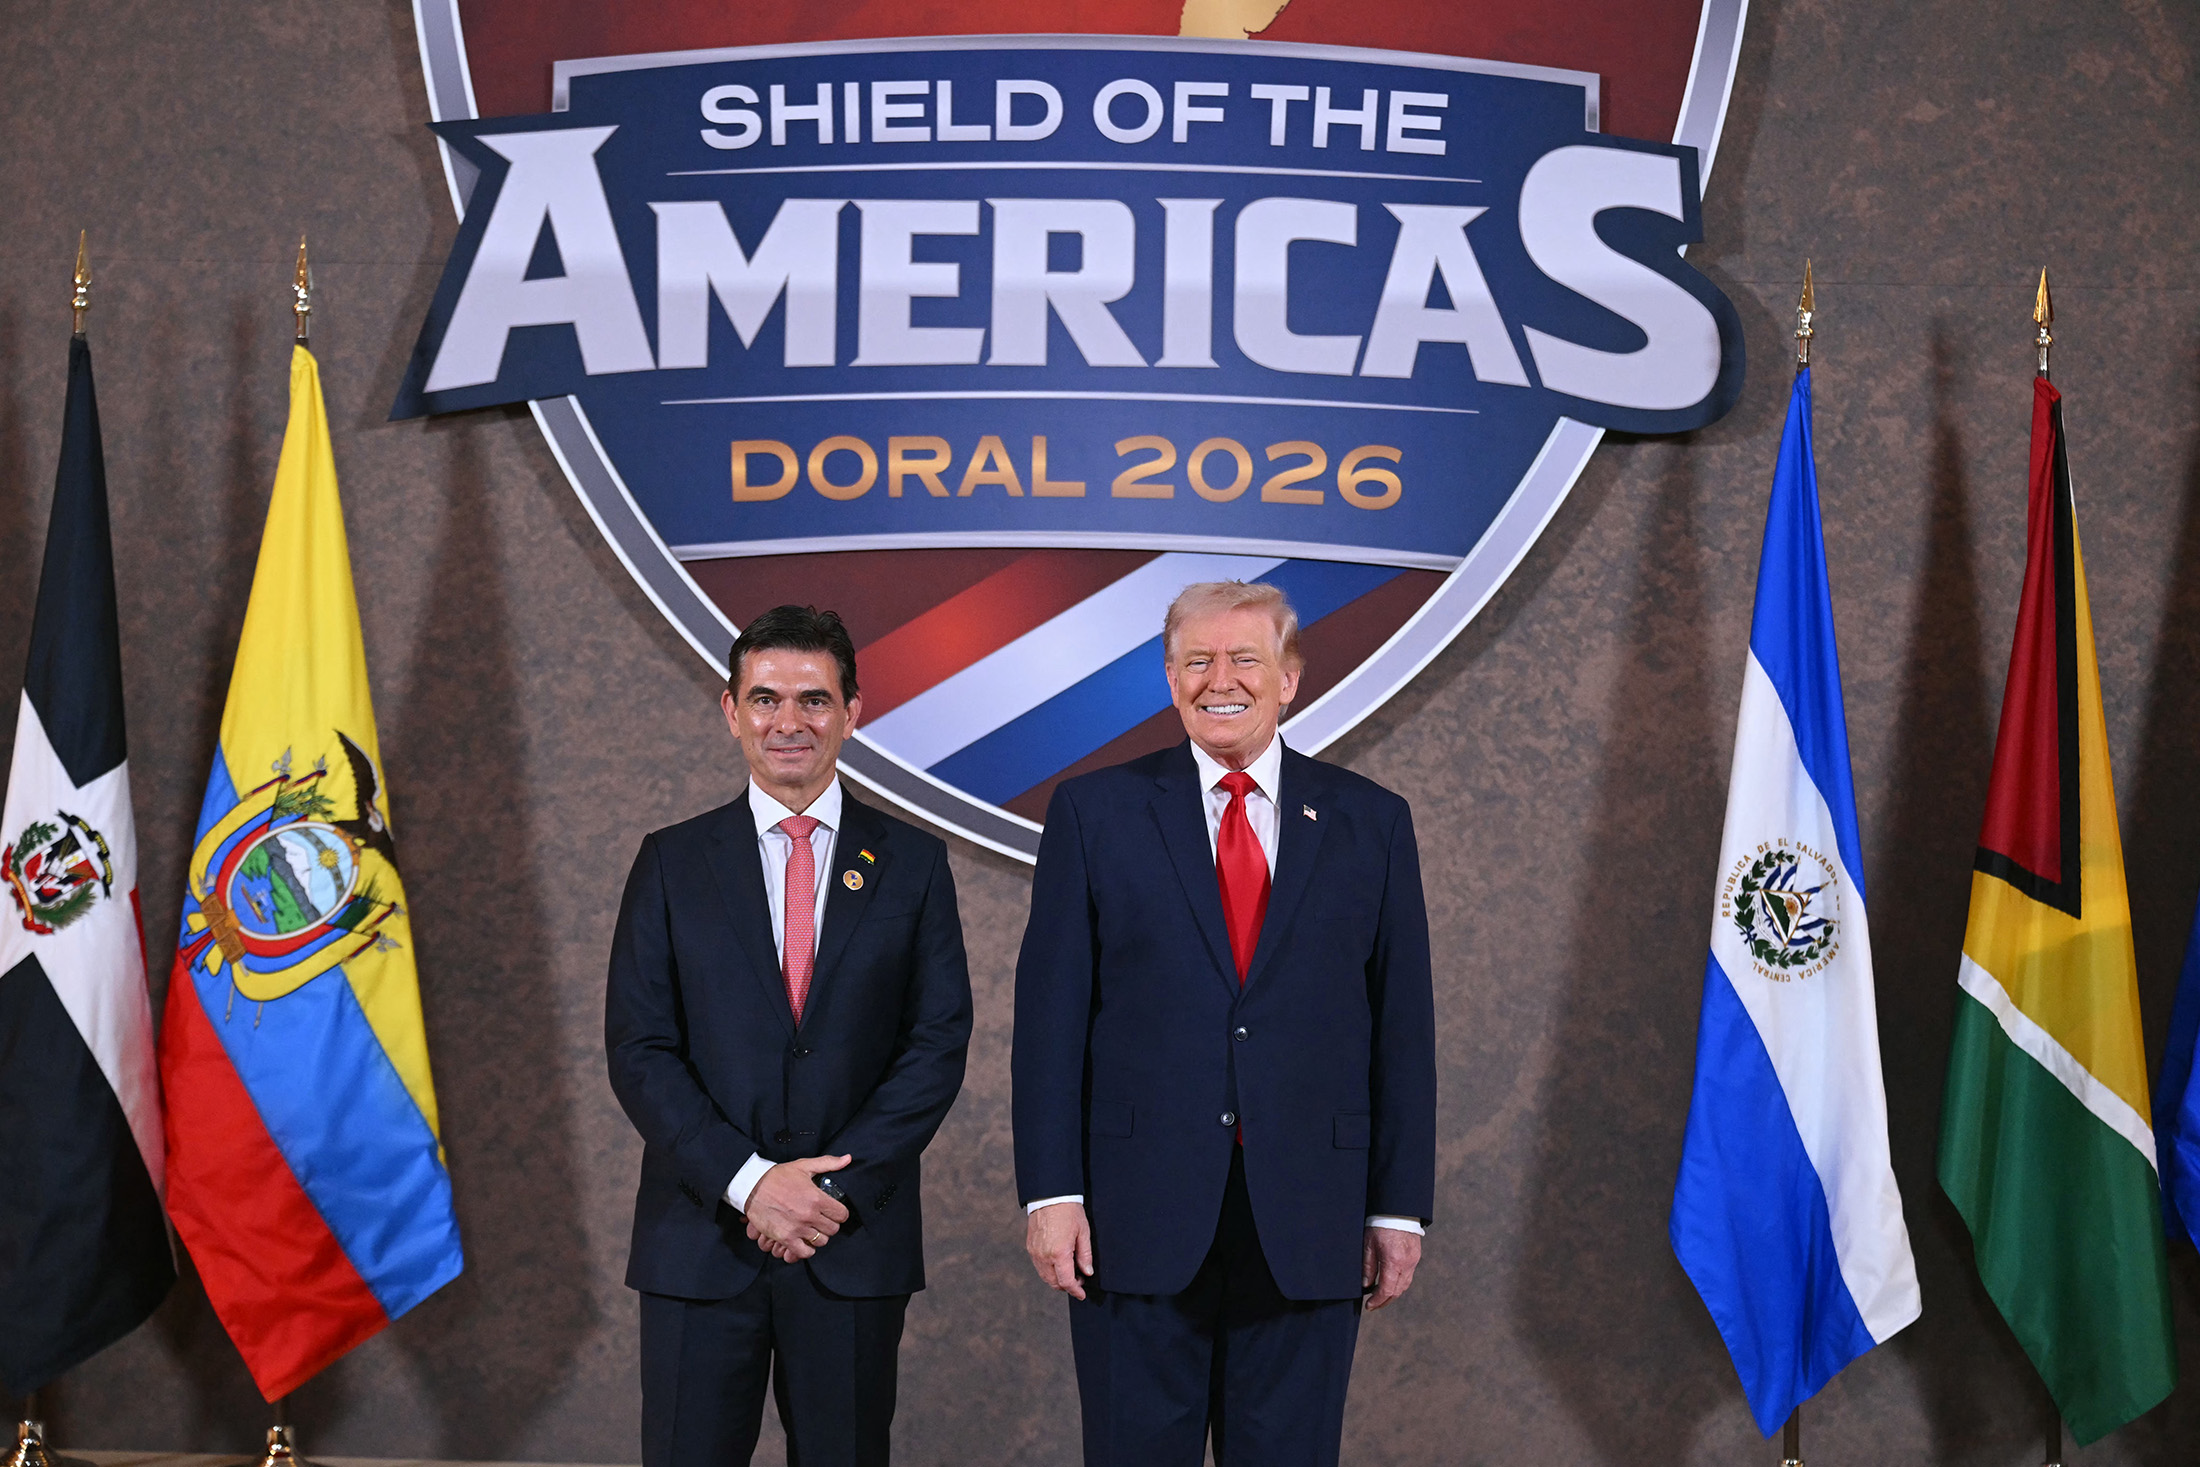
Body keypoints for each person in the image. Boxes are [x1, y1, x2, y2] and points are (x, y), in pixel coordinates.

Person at [1012, 580, 1436, 1467]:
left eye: (1245, 658)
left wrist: (1399, 1206)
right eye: (1196, 660)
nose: (1220, 679)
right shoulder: (1095, 814)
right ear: (1169, 677)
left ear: (1290, 677)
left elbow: (1401, 1031)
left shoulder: (1372, 821)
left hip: (1311, 1218)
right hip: (1134, 1217)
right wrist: (1052, 1194)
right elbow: (1049, 1022)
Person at [606, 604, 973, 1467]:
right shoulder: (671, 861)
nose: (789, 722)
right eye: (765, 698)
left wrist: (824, 1198)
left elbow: (935, 1045)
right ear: (730, 710)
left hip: (849, 1243)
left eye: (814, 700)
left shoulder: (915, 866)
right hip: (699, 1241)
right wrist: (750, 1182)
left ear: (854, 710)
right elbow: (640, 1047)